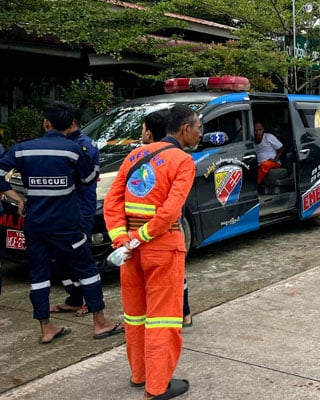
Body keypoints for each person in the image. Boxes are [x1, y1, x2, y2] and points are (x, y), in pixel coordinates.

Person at [0, 101, 123, 344]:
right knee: (87, 269)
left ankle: (46, 328)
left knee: (39, 274)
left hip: (34, 224)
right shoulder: (73, 150)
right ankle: (100, 322)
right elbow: (88, 178)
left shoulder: (22, 150)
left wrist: (18, 198)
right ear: (70, 125)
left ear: (46, 123)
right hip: (67, 224)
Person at [104, 104, 199, 398]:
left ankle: (139, 374)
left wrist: (123, 239)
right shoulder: (183, 161)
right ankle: (157, 387)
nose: (199, 133)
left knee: (135, 315)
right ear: (185, 129)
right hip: (161, 247)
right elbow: (171, 211)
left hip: (130, 252)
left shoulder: (135, 155)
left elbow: (112, 201)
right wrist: (142, 236)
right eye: (198, 127)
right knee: (163, 319)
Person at [141, 110, 193, 328]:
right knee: (176, 273)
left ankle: (178, 314)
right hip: (168, 225)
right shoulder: (173, 156)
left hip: (155, 227)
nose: (142, 133)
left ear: (150, 133)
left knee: (166, 275)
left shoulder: (145, 158)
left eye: (143, 129)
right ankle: (185, 313)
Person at [50, 116, 100, 317]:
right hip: (65, 210)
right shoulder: (66, 144)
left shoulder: (84, 145)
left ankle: (93, 300)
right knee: (62, 257)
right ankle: (75, 298)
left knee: (82, 256)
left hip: (81, 209)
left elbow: (85, 178)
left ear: (70, 123)